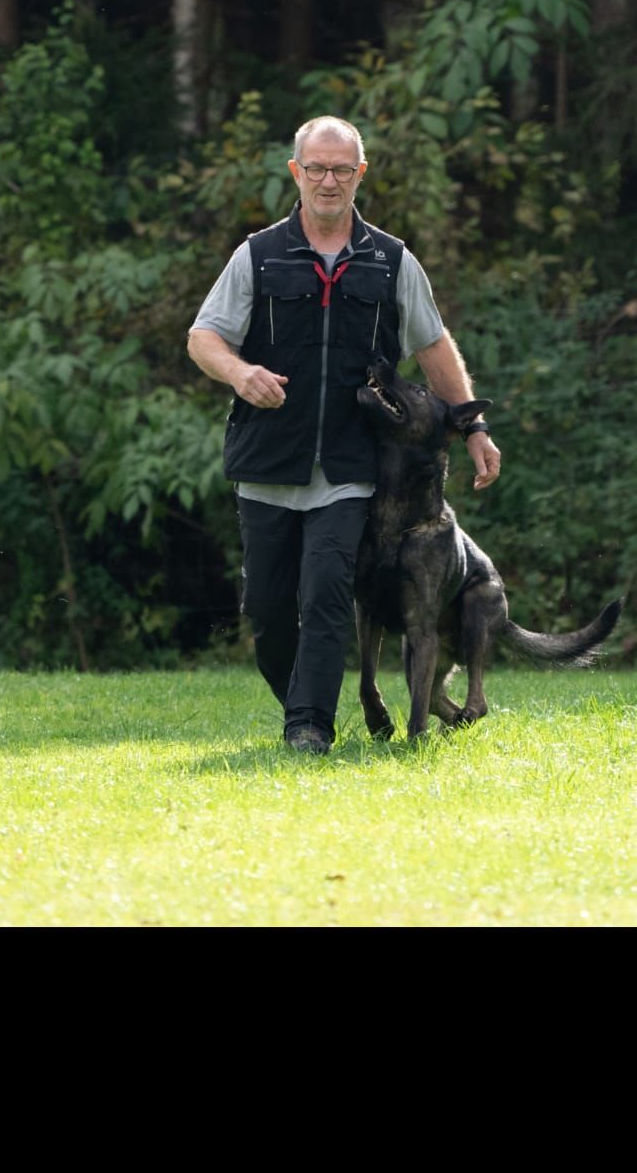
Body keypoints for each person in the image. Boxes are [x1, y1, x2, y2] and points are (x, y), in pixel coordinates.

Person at [187, 116, 501, 754]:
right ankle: (300, 703)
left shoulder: (392, 261)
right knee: (268, 612)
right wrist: (240, 373)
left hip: (355, 467)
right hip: (269, 460)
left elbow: (433, 347)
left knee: (328, 595)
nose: (328, 181)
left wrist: (472, 427)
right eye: (316, 168)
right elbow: (204, 337)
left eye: (341, 169)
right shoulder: (257, 255)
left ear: (360, 174)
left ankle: (310, 727)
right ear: (295, 173)